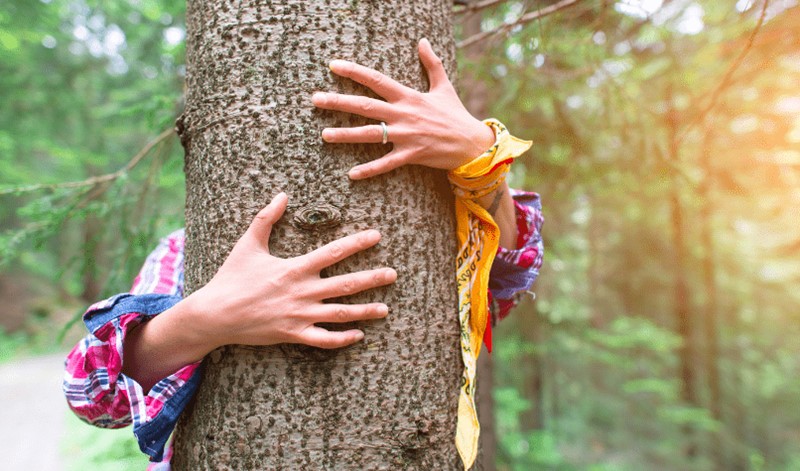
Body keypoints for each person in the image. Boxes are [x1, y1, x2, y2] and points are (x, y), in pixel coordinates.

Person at [63, 39, 543, 469]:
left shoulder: (445, 222)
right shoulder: (185, 252)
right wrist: (211, 317)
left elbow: (507, 275)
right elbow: (94, 397)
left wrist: (483, 159)